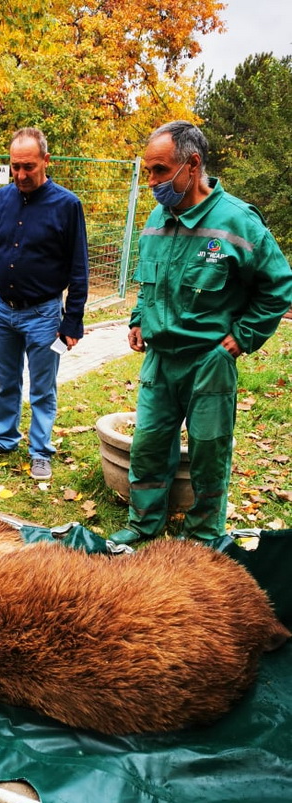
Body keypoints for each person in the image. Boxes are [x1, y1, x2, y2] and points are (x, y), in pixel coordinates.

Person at [109, 120, 292, 547]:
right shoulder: (157, 217)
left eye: (159, 171)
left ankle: (203, 536)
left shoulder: (236, 221)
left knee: (210, 452)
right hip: (160, 359)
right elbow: (149, 281)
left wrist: (242, 337)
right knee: (149, 446)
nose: (152, 182)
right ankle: (143, 526)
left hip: (209, 361)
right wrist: (138, 318)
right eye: (149, 171)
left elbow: (279, 284)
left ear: (192, 165)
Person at [0, 127, 89, 480]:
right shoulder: (1, 199)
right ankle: (5, 438)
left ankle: (40, 451)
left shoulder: (67, 206)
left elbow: (79, 267)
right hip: (4, 310)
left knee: (42, 389)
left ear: (46, 161)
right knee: (7, 381)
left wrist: (73, 321)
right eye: (15, 167)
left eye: (28, 167)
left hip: (44, 314)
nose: (20, 175)